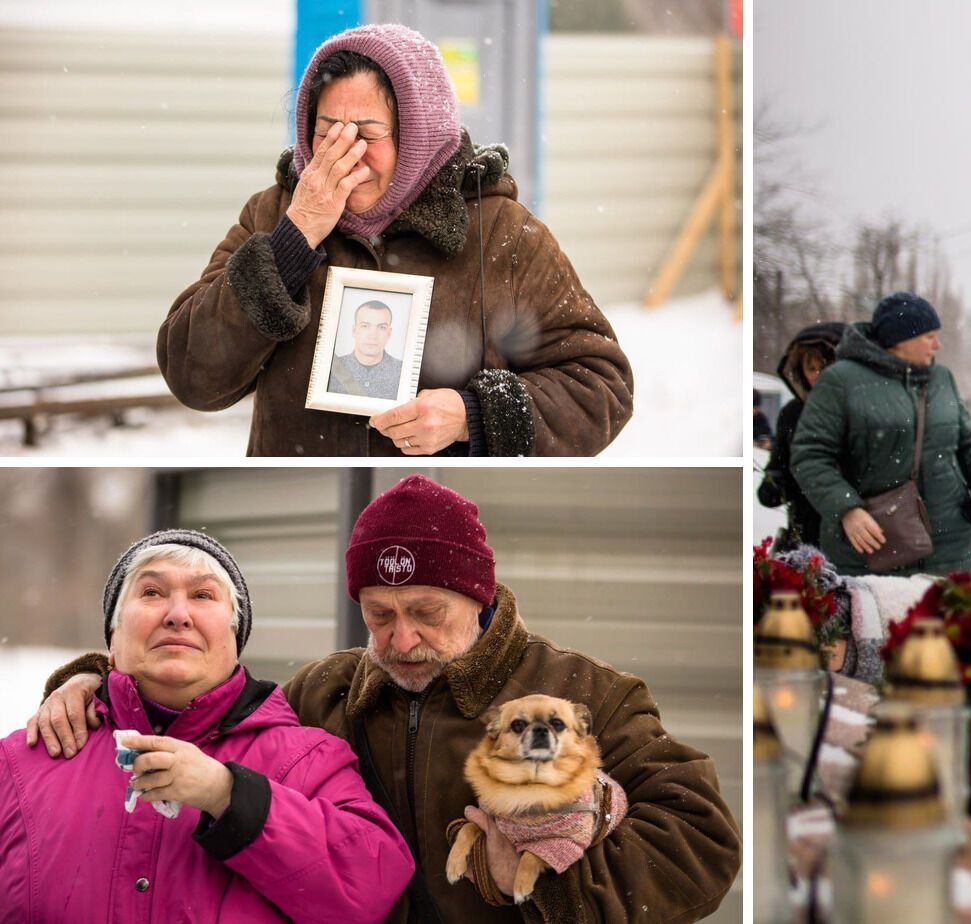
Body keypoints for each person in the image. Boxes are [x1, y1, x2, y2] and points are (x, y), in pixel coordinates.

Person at [28, 477, 741, 922]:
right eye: (379, 614)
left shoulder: (587, 693)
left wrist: (543, 889)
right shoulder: (325, 692)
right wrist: (94, 681)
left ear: (478, 597)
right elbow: (215, 706)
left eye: (428, 612)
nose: (402, 640)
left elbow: (704, 843)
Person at [158, 25, 632, 456]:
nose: (346, 156)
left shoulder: (502, 233)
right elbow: (192, 375)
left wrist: (474, 415)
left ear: (420, 135)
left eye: (368, 134)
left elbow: (600, 386)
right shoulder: (273, 213)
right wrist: (293, 239)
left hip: (438, 502)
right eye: (326, 133)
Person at [2, 530, 414, 922]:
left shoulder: (309, 759)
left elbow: (373, 888)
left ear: (236, 639)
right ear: (112, 637)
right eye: (151, 593)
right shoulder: (19, 764)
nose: (178, 615)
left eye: (202, 595)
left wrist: (228, 795)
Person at [791, 292, 971, 576]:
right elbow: (810, 455)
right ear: (900, 340)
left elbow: (968, 442)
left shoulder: (942, 378)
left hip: (952, 543)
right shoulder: (841, 381)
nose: (937, 345)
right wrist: (847, 510)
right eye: (929, 337)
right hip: (875, 542)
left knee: (950, 620)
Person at [758, 322, 843, 549]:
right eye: (811, 368)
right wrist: (775, 484)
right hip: (803, 536)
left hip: (849, 534)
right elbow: (779, 464)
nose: (817, 375)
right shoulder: (792, 413)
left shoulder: (857, 413)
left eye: (824, 367)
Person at [327, 300, 405, 397]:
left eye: (382, 327)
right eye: (365, 326)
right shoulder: (330, 369)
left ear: (389, 333)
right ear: (354, 330)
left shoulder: (403, 372)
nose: (373, 335)